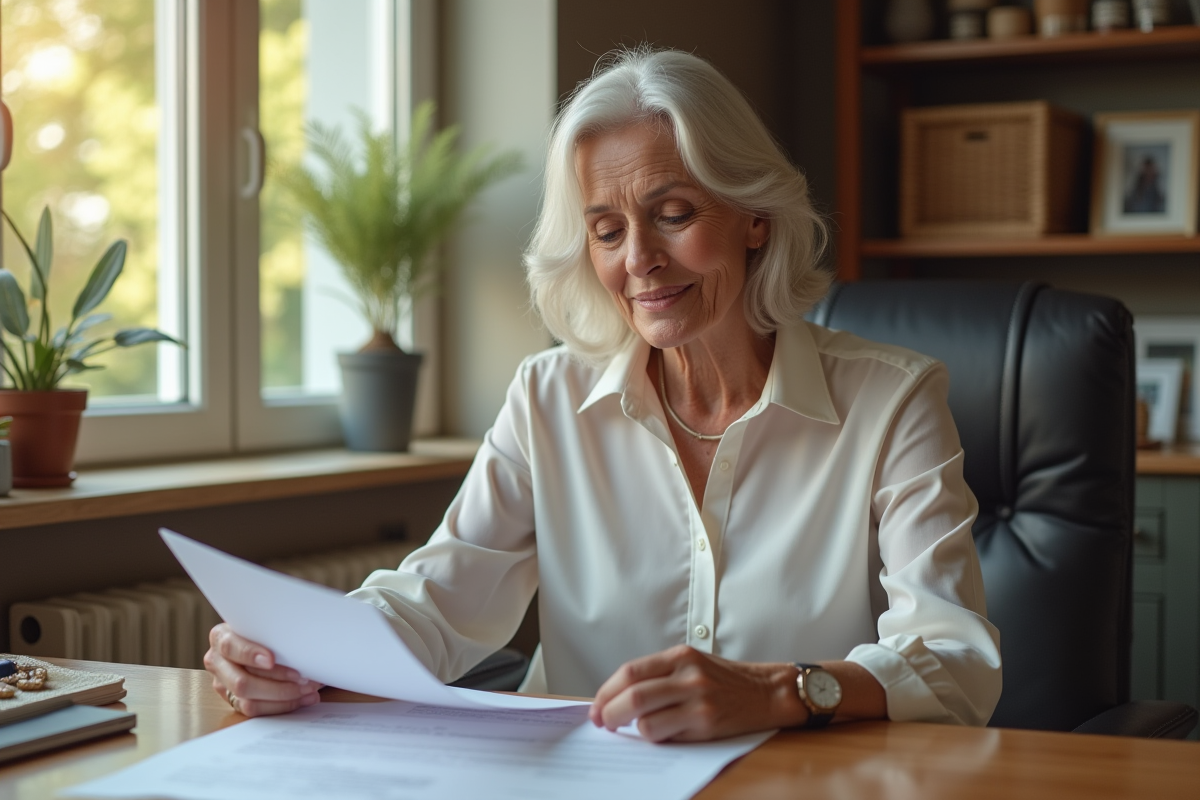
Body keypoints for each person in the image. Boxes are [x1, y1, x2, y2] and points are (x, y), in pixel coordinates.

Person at [204, 47, 1002, 742]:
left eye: (675, 214)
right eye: (607, 230)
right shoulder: (546, 397)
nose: (639, 260)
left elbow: (956, 665)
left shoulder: (892, 401)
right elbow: (438, 602)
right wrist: (290, 656)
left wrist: (776, 691)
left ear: (755, 217)